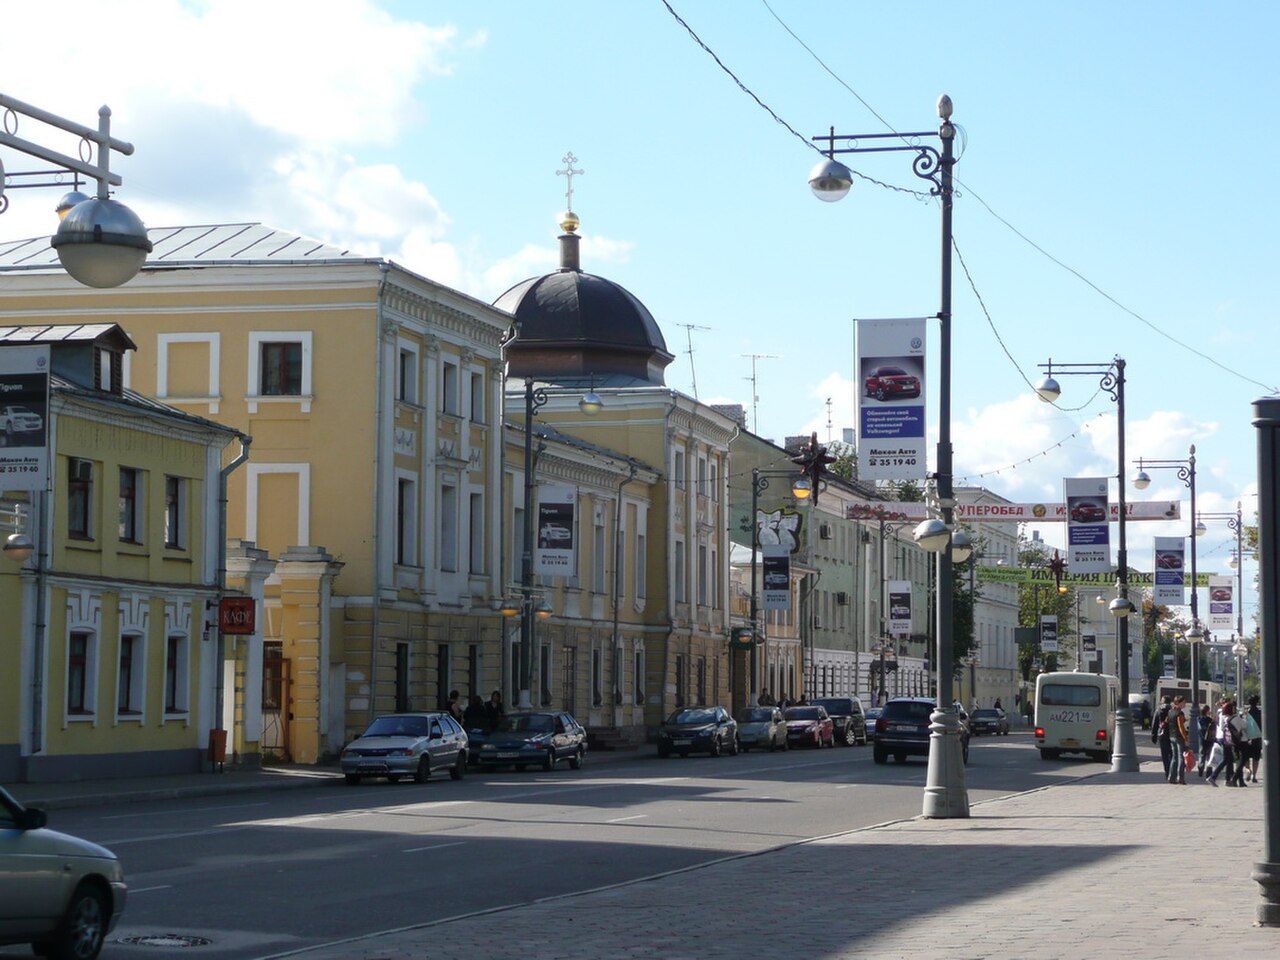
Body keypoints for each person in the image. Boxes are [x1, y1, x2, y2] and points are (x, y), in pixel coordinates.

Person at [1208, 699, 1239, 787]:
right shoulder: (1223, 713)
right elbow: (1222, 727)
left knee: (1229, 759)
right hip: (1225, 738)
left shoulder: (1220, 712)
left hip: (1222, 737)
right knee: (1227, 759)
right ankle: (1214, 777)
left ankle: (1227, 779)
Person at [1167, 696, 1188, 785]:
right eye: (1183, 702)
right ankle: (1180, 778)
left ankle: (1171, 777)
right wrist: (1185, 738)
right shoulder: (1180, 713)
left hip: (1171, 736)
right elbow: (1181, 727)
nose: (1185, 704)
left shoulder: (1170, 711)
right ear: (1178, 703)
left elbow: (1168, 721)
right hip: (1179, 737)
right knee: (1181, 757)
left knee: (1174, 757)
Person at [1151, 695, 1173, 780]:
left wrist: (1153, 736)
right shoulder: (1172, 709)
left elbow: (1155, 723)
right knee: (1172, 754)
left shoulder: (1158, 709)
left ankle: (1167, 772)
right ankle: (1172, 771)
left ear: (1163, 701)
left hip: (1162, 734)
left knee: (1164, 755)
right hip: (1172, 734)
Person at [1244, 694, 1262, 783]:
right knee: (1256, 758)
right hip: (1257, 738)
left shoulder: (1245, 713)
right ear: (1257, 702)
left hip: (1247, 738)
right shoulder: (1260, 713)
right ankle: (1254, 776)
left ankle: (1248, 772)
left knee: (1246, 757)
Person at [1196, 704, 1214, 777]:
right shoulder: (1209, 720)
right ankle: (1209, 771)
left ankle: (1200, 768)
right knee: (1209, 756)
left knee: (1201, 754)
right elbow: (1213, 728)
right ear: (1207, 711)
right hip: (1209, 739)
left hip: (1201, 739)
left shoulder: (1198, 718)